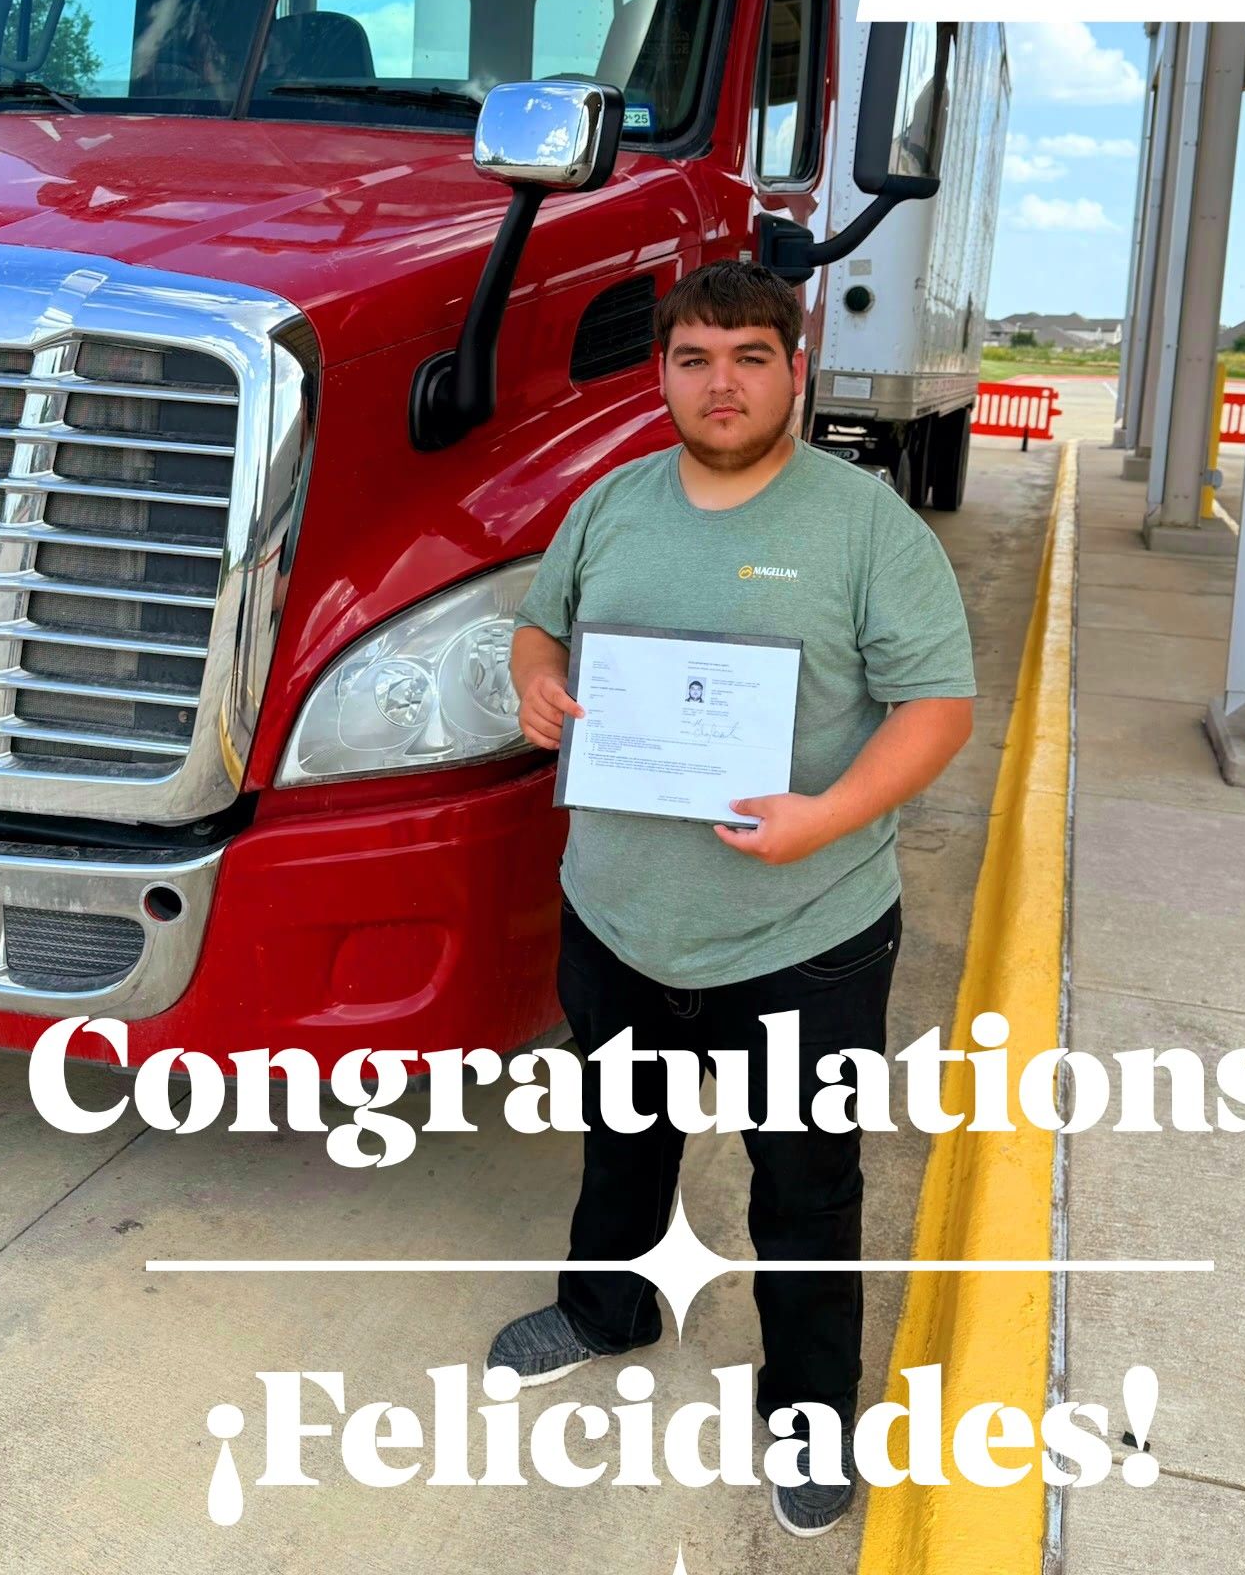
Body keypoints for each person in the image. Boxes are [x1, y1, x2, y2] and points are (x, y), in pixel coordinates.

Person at [488, 259, 976, 1538]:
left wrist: (826, 815)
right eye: (695, 357)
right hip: (618, 913)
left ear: (795, 371)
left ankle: (812, 1414)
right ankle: (605, 1307)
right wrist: (537, 681)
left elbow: (939, 706)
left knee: (805, 1186)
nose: (722, 382)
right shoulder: (612, 504)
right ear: (662, 373)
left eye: (750, 357)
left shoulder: (867, 527)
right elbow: (541, 627)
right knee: (624, 1138)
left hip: (801, 937)